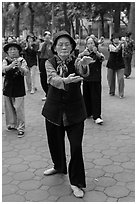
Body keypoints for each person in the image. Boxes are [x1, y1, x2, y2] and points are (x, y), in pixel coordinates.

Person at [41, 30, 94, 198]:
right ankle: (59, 166)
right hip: (54, 109)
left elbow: (82, 70)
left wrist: (84, 65)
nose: (64, 47)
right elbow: (52, 78)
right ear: (55, 48)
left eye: (67, 44)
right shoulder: (49, 62)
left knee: (76, 146)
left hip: (75, 111)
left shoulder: (77, 61)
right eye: (60, 44)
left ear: (72, 47)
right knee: (55, 142)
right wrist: (65, 81)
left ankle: (76, 182)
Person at [2, 40, 28, 137]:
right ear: (8, 52)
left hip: (19, 88)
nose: (13, 51)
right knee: (9, 108)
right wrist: (11, 66)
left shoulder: (22, 60)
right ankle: (11, 124)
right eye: (10, 50)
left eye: (15, 49)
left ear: (18, 51)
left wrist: (20, 67)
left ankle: (21, 127)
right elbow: (3, 70)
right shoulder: (5, 60)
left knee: (18, 108)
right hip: (8, 87)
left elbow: (26, 72)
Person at [77, 36, 105, 124]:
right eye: (88, 43)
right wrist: (82, 54)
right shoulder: (84, 53)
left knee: (95, 97)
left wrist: (96, 53)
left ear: (95, 44)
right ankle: (87, 113)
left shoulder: (97, 53)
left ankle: (97, 116)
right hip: (86, 78)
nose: (90, 45)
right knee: (86, 96)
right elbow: (78, 60)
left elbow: (102, 58)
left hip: (96, 79)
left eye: (92, 43)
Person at [106, 33, 125, 99]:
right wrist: (120, 44)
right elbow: (115, 50)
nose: (116, 40)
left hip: (120, 63)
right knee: (110, 78)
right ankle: (112, 91)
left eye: (117, 38)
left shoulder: (122, 45)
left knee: (121, 79)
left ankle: (121, 93)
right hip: (111, 63)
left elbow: (124, 50)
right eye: (115, 38)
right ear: (112, 40)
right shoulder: (110, 45)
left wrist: (124, 42)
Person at [39, 31, 54, 101]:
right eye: (45, 37)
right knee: (43, 78)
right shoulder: (42, 45)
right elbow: (40, 53)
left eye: (48, 36)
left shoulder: (52, 45)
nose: (47, 38)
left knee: (51, 78)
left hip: (50, 61)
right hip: (42, 61)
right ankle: (47, 93)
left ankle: (50, 94)